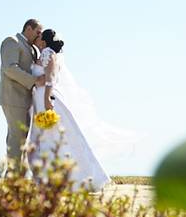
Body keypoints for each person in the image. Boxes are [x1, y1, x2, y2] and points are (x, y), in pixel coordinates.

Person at [27, 29, 119, 191]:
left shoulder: (49, 53)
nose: (38, 37)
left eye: (41, 36)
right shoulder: (40, 55)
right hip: (38, 100)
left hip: (46, 98)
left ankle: (72, 177)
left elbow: (50, 78)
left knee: (56, 136)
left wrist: (47, 98)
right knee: (46, 137)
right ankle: (51, 177)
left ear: (45, 41)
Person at [0, 19, 43, 168]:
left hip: (25, 101)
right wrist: (34, 80)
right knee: (16, 140)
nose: (39, 36)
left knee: (22, 141)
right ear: (28, 28)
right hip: (13, 98)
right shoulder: (12, 41)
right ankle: (11, 182)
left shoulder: (31, 48)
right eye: (37, 32)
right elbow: (10, 68)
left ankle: (17, 180)